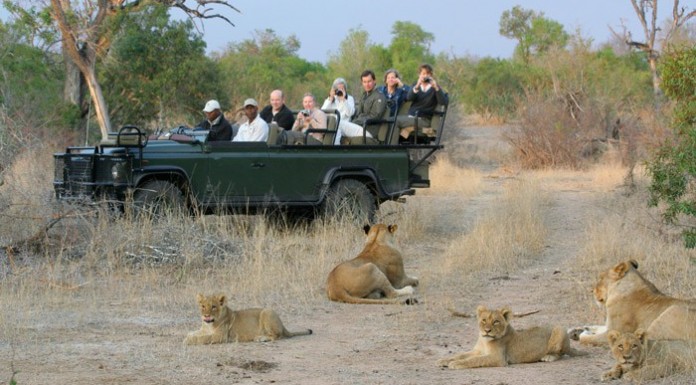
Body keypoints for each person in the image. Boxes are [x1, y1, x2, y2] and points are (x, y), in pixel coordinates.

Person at [397, 63, 449, 140]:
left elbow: (443, 102)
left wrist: (436, 88)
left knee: (395, 121)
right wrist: (417, 85)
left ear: (431, 75)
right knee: (392, 120)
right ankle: (393, 144)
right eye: (423, 73)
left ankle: (392, 148)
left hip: (424, 119)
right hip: (412, 117)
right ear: (419, 75)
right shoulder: (416, 84)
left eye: (428, 74)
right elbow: (409, 97)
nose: (425, 76)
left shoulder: (435, 88)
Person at [336, 69, 386, 143]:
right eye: (364, 82)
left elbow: (376, 116)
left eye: (369, 81)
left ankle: (333, 150)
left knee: (338, 123)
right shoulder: (364, 95)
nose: (367, 84)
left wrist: (356, 121)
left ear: (374, 81)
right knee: (335, 124)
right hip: (360, 126)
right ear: (362, 83)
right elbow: (358, 113)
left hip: (368, 129)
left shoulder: (379, 96)